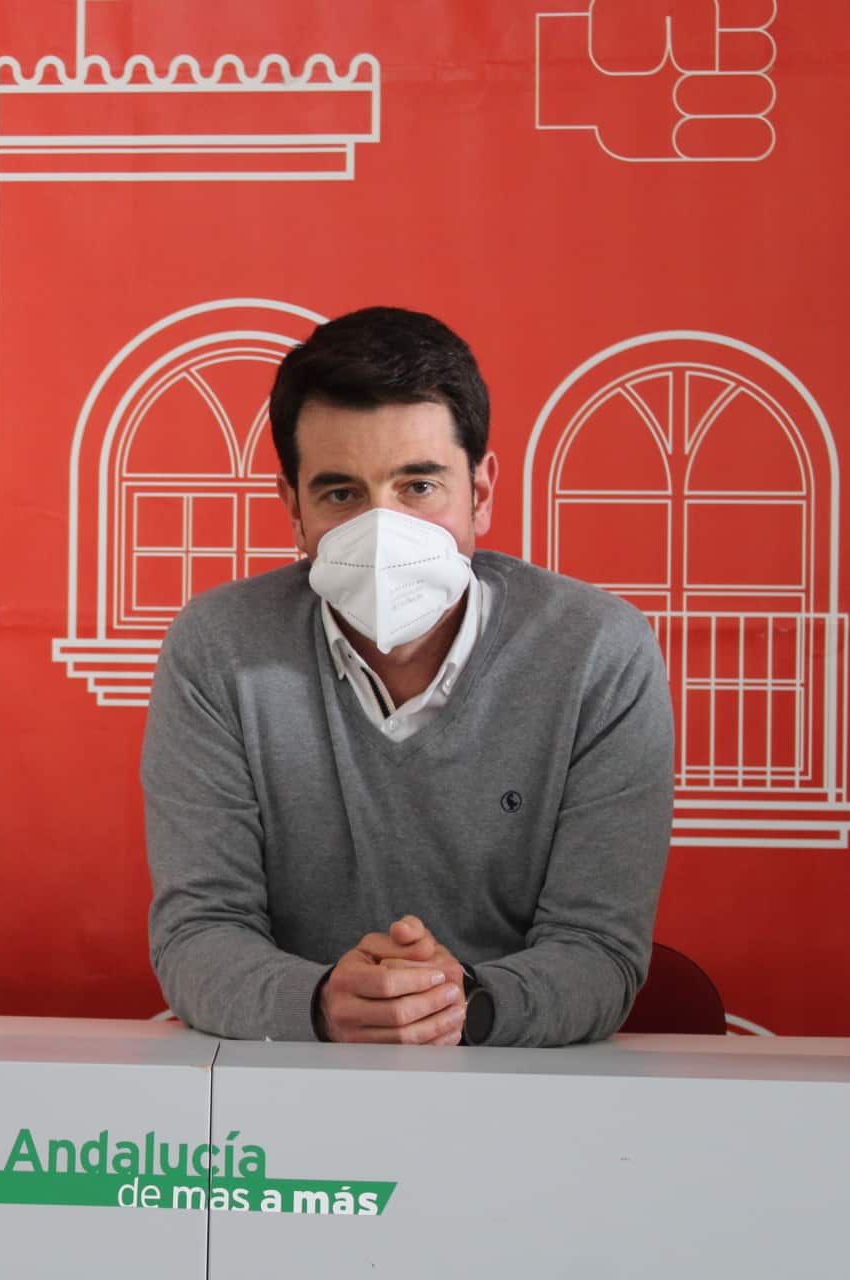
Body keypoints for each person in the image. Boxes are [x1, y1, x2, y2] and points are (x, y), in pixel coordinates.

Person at [142, 307, 673, 1047]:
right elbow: (198, 935)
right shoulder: (219, 649)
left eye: (418, 486)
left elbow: (600, 950)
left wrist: (463, 1005)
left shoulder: (594, 652)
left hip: (523, 1091)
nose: (383, 526)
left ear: (480, 490)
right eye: (341, 494)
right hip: (288, 1087)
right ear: (292, 508)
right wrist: (324, 1001)